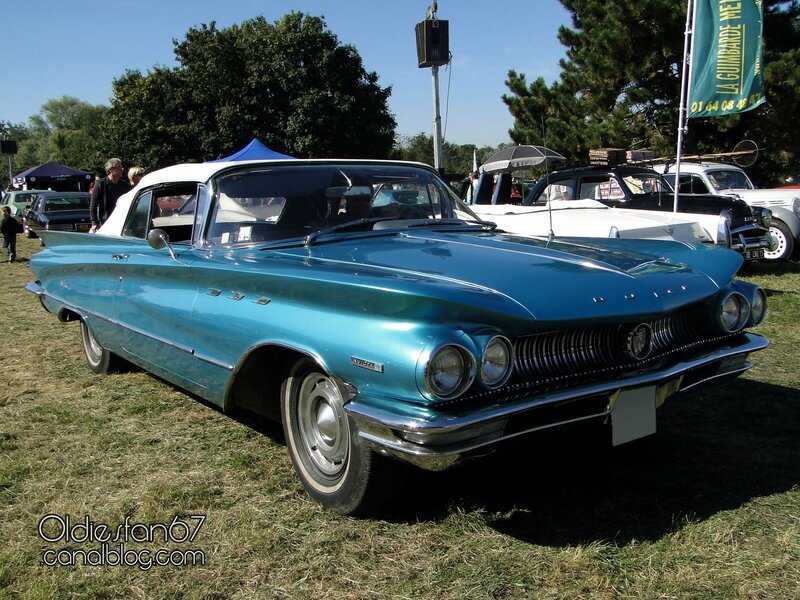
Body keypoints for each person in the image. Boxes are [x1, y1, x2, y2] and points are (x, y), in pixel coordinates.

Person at [90, 158, 131, 232]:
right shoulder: (100, 184)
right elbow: (93, 204)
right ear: (111, 170)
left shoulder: (124, 185)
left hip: (122, 221)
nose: (122, 169)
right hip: (106, 222)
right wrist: (94, 222)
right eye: (119, 167)